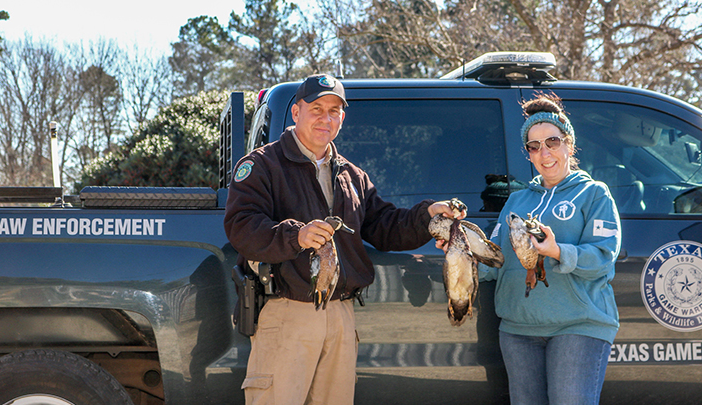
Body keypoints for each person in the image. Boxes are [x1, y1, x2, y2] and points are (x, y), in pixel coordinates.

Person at [224, 73, 461, 405]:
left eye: (334, 111)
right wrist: (296, 235)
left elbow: (385, 226)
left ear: (342, 118)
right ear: (296, 112)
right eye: (317, 108)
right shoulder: (262, 165)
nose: (326, 118)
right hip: (287, 312)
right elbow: (241, 226)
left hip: (340, 316)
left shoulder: (353, 175)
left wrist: (428, 215)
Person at [475, 92, 622, 404]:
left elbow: (602, 259)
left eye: (553, 142)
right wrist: (460, 252)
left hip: (578, 326)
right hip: (518, 330)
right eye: (534, 146)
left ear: (568, 144)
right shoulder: (516, 201)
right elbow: (494, 259)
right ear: (528, 153)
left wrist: (558, 251)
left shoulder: (594, 194)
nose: (545, 153)